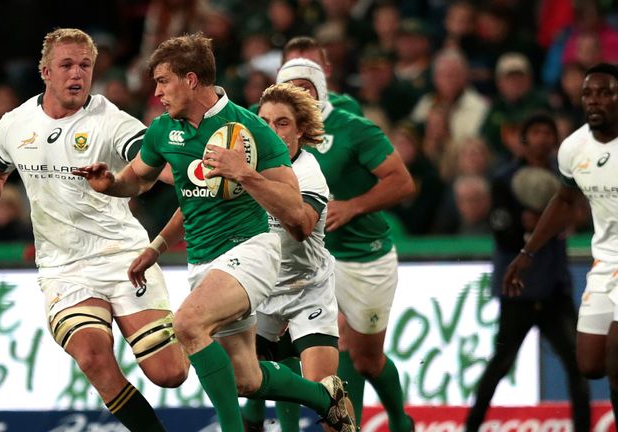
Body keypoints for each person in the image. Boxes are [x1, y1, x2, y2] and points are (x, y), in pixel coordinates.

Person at [73, 33, 355, 432]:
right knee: (246, 378)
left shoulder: (251, 128)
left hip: (252, 251)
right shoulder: (162, 131)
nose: (156, 92)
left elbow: (294, 211)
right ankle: (325, 398)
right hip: (203, 261)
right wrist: (111, 184)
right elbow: (137, 178)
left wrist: (244, 173)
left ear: (191, 80)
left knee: (187, 323)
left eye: (163, 81)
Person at [0, 28, 188, 432]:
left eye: (85, 65)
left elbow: (153, 162)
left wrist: (193, 175)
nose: (77, 74)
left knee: (170, 373)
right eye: (66, 65)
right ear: (45, 72)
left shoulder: (110, 120)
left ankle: (205, 334)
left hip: (123, 256)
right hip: (63, 267)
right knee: (93, 356)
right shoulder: (15, 124)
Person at [276, 58, 416, 431]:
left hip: (364, 256)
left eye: (305, 86)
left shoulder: (355, 129)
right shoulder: (272, 134)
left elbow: (402, 182)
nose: (298, 95)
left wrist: (353, 206)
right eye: (290, 88)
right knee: (308, 347)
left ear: (320, 89)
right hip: (313, 261)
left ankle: (401, 422)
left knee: (367, 358)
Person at [505, 63, 618, 422]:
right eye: (588, 93)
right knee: (591, 363)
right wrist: (527, 253)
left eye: (605, 92)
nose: (594, 100)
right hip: (606, 263)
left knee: (616, 356)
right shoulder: (574, 148)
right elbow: (566, 201)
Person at [465, 113, 591, 432]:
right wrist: (533, 229)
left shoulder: (567, 180)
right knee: (499, 365)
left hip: (554, 289)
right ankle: (472, 427)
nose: (542, 138)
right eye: (535, 132)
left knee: (580, 365)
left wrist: (541, 224)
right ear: (524, 139)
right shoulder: (504, 180)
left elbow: (576, 217)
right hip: (518, 290)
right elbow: (501, 232)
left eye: (548, 132)